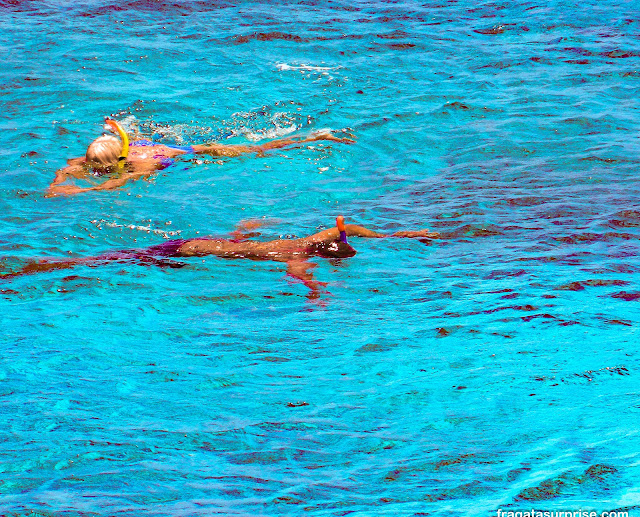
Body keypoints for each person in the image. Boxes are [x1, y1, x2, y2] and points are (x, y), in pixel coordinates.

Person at [2, 218, 439, 300]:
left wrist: (401, 234)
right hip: (189, 253)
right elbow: (300, 276)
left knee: (113, 258)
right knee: (103, 263)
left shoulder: (312, 238)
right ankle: (38, 266)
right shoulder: (299, 255)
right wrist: (317, 293)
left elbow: (352, 227)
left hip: (203, 243)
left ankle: (39, 263)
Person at [47, 119, 356, 197]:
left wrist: (81, 191)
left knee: (255, 151)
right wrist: (58, 181)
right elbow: (71, 165)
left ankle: (313, 137)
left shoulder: (141, 165)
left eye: (99, 167)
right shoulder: (102, 155)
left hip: (187, 155)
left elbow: (114, 186)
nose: (94, 170)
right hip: (144, 145)